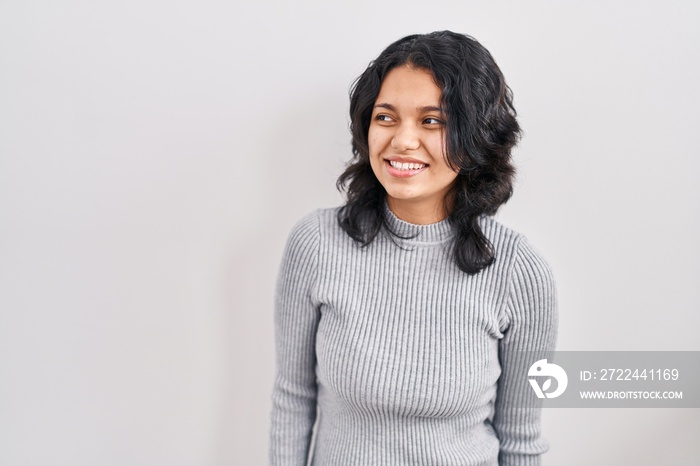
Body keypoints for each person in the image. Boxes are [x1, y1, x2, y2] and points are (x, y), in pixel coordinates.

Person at [269, 30, 558, 466]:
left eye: (432, 121)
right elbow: (293, 399)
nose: (402, 141)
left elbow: (520, 440)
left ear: (476, 135)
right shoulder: (315, 244)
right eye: (386, 117)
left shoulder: (519, 271)